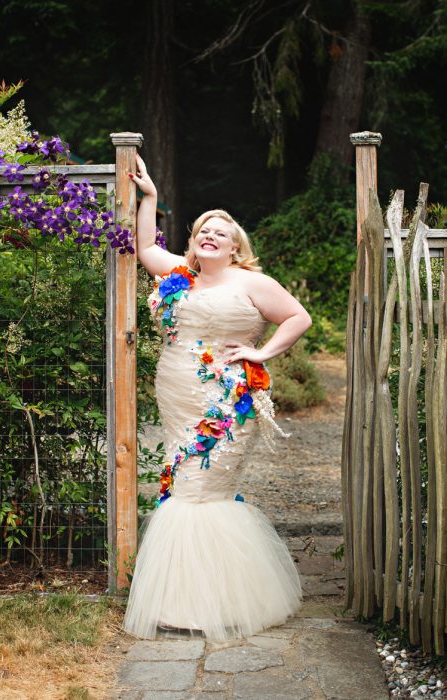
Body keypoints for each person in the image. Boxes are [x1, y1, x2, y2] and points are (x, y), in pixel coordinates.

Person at [123, 153, 312, 642]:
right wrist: (150, 197)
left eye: (219, 232)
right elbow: (145, 246)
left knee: (202, 487)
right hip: (176, 392)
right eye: (202, 230)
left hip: (227, 401)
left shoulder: (252, 282)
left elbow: (298, 318)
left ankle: (210, 603)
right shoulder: (178, 276)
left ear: (234, 247)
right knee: (180, 479)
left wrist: (260, 352)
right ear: (192, 242)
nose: (209, 235)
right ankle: (183, 599)